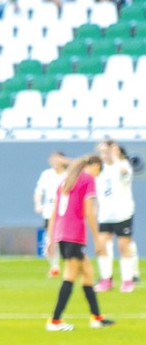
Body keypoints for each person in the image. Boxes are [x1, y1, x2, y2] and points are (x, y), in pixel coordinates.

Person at [45, 155, 115, 330]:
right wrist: (97, 239)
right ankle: (55, 321)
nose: (97, 174)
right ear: (93, 166)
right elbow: (89, 211)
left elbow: (54, 212)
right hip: (74, 234)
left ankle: (97, 317)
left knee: (88, 272)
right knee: (70, 275)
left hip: (62, 234)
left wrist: (50, 238)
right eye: (98, 170)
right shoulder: (87, 179)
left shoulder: (66, 180)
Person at [94, 138, 137, 293]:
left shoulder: (122, 165)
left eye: (107, 151)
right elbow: (99, 193)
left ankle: (127, 280)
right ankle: (106, 279)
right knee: (102, 246)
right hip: (105, 215)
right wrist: (95, 210)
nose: (103, 154)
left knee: (123, 247)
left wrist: (117, 157)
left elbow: (126, 174)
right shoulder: (99, 169)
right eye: (101, 151)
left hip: (123, 214)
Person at [35, 151, 69, 278]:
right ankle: (54, 267)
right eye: (52, 158)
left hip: (65, 212)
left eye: (57, 158)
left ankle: (69, 266)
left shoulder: (68, 175)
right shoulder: (46, 174)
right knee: (50, 239)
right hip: (49, 212)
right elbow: (39, 191)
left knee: (65, 240)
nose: (54, 161)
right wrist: (38, 204)